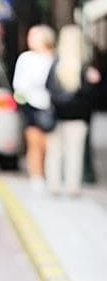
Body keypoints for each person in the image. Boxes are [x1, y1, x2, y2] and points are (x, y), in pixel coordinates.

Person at [45, 24, 101, 197]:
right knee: (74, 153)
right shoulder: (85, 69)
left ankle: (53, 185)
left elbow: (48, 88)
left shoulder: (56, 65)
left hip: (57, 116)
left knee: (55, 153)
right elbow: (92, 96)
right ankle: (72, 187)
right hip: (78, 117)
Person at [12, 25, 56, 191]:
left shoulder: (55, 58)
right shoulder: (26, 58)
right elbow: (19, 85)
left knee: (50, 145)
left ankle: (49, 174)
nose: (29, 40)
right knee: (34, 142)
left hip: (53, 106)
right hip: (32, 105)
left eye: (33, 36)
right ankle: (36, 177)